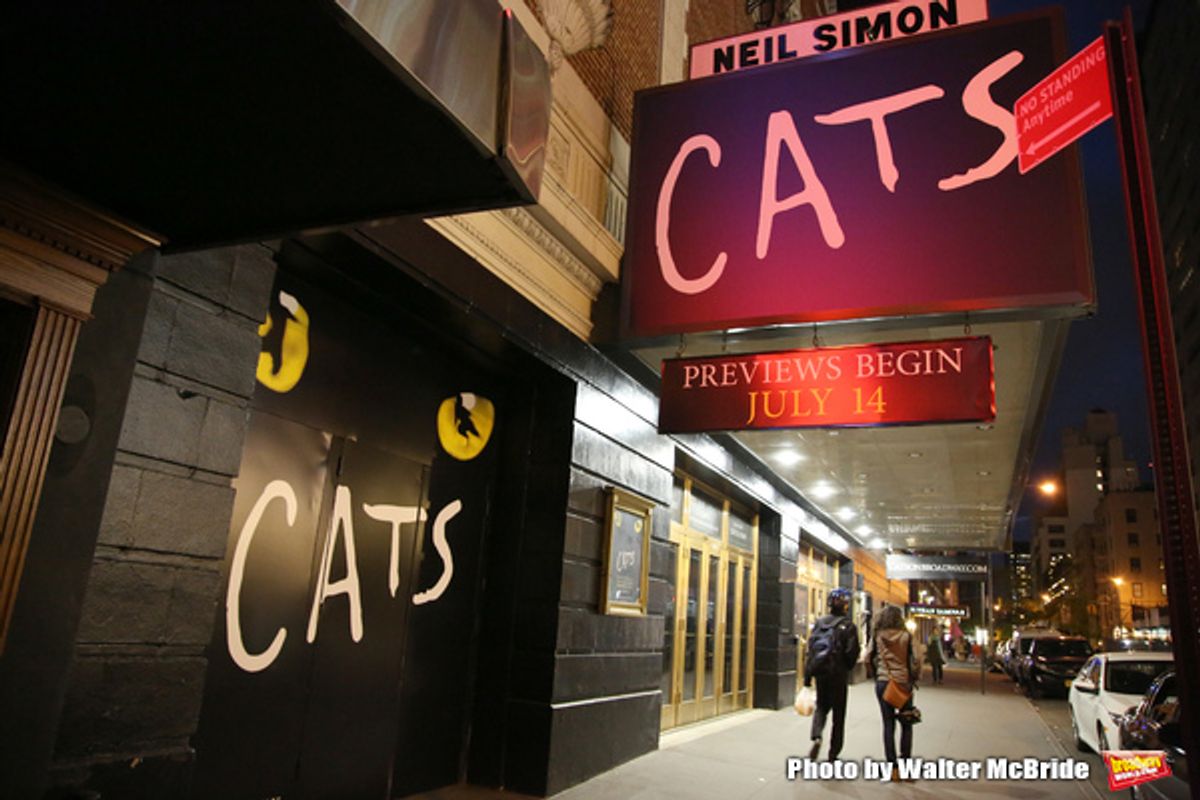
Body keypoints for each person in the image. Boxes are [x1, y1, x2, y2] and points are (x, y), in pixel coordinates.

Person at [803, 587, 860, 761]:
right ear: (846, 606)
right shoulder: (848, 626)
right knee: (838, 715)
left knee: (821, 706)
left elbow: (811, 650)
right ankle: (833, 753)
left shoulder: (820, 623)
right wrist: (846, 668)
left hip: (821, 673)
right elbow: (852, 652)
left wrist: (808, 677)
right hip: (838, 675)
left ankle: (817, 735)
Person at [869, 604, 919, 774]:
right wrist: (914, 677)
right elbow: (917, 659)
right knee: (907, 722)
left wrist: (876, 673)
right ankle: (906, 764)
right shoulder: (907, 636)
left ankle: (893, 767)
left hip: (884, 682)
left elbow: (868, 656)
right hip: (903, 683)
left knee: (888, 724)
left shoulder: (878, 636)